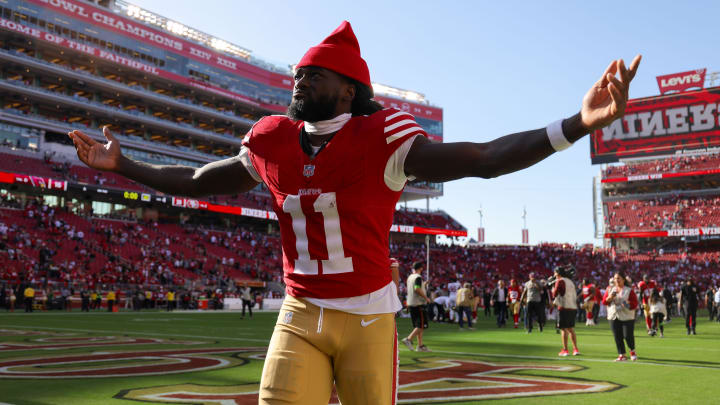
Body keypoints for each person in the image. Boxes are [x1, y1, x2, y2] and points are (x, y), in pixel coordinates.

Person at [66, 19, 641, 404]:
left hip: (368, 318)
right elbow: (197, 179)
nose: (298, 79)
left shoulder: (383, 137)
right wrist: (124, 167)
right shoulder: (271, 139)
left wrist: (576, 125)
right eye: (297, 72)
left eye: (312, 73)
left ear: (349, 88)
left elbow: (484, 159)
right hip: (299, 313)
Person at [602, 271, 639, 361]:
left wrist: (627, 304)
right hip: (613, 315)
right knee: (617, 336)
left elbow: (635, 304)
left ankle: (632, 351)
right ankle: (622, 354)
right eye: (615, 278)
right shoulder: (610, 289)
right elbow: (604, 302)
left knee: (627, 335)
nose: (616, 280)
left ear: (623, 279)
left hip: (627, 316)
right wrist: (609, 298)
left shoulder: (629, 290)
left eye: (618, 278)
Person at [402, 262, 431, 352]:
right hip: (418, 303)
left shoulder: (410, 277)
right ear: (421, 268)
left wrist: (424, 284)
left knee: (419, 325)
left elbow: (416, 287)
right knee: (421, 325)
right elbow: (417, 288)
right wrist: (426, 298)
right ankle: (408, 339)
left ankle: (420, 345)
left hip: (411, 303)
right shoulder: (418, 277)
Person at [551, 267, 580, 356]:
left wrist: (552, 288)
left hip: (564, 307)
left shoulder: (559, 281)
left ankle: (565, 350)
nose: (554, 275)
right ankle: (575, 349)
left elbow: (555, 294)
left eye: (555, 273)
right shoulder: (571, 281)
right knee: (571, 329)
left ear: (558, 273)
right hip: (573, 307)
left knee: (563, 329)